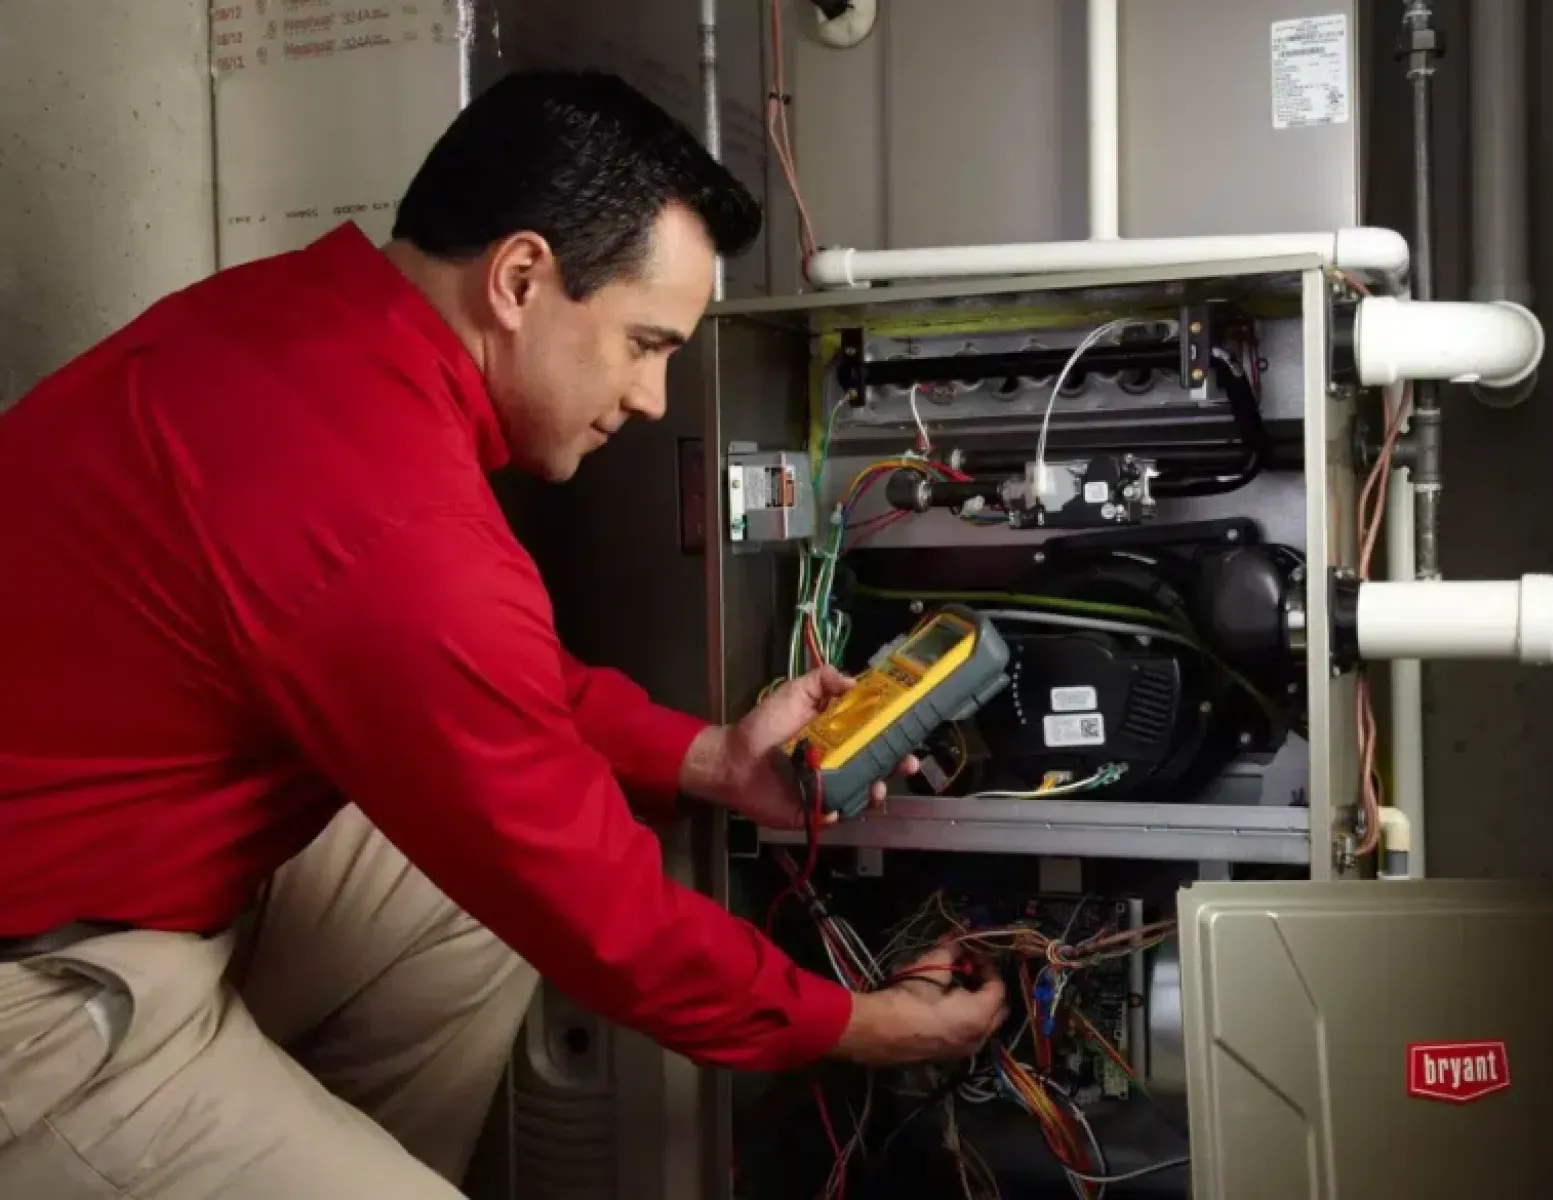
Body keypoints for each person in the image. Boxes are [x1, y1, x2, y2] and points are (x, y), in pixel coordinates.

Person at [0, 68, 1006, 1197]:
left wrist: (711, 761)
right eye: (646, 343)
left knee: (446, 904)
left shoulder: (293, 323)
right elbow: (605, 919)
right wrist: (862, 1026)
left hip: (104, 862)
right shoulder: (395, 521)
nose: (652, 400)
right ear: (522, 277)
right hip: (43, 993)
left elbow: (483, 684)